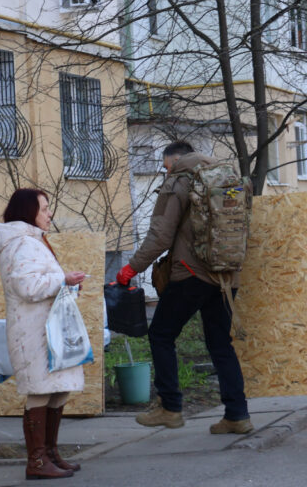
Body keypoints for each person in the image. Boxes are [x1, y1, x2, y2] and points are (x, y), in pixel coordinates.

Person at [116, 141, 253, 434]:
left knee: (161, 334)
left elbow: (160, 236)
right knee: (220, 343)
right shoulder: (226, 175)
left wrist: (131, 269)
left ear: (175, 159)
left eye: (166, 166)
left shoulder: (180, 178)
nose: (166, 172)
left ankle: (170, 407)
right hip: (227, 276)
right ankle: (237, 414)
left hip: (192, 274)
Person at [0, 188, 87, 480]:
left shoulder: (32, 241)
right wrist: (63, 279)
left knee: (58, 388)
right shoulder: (21, 244)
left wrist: (67, 284)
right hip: (33, 332)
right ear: (27, 211)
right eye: (44, 208)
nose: (49, 214)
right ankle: (37, 461)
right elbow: (27, 287)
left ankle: (50, 454)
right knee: (40, 391)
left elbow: (41, 282)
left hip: (48, 330)